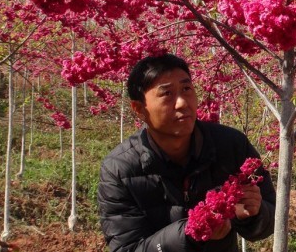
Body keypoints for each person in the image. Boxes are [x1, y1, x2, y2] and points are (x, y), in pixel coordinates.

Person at [97, 54, 276, 252]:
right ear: (139, 109)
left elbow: (270, 221)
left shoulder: (232, 145)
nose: (182, 102)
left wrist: (254, 215)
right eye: (167, 94)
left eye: (186, 89)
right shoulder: (120, 169)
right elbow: (126, 248)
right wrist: (189, 234)